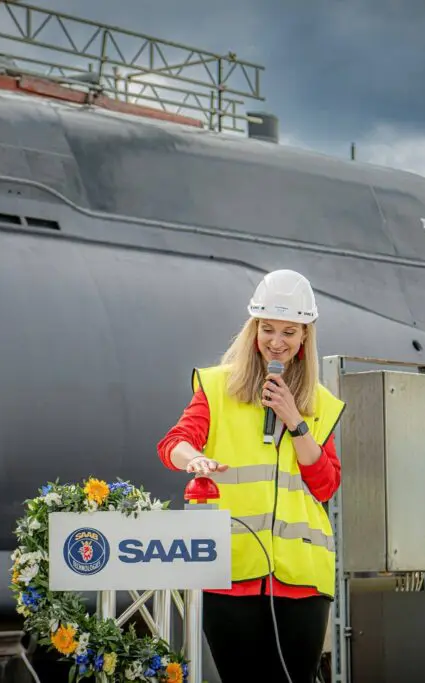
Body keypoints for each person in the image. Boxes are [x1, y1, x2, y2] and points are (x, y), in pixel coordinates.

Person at [157, 269, 346, 683]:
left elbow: (326, 485)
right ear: (253, 329)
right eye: (267, 329)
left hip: (301, 579)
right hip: (229, 573)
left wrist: (294, 420)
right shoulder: (218, 387)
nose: (276, 341)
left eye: (289, 332)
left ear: (305, 336)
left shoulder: (320, 403)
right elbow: (174, 443)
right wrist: (195, 460)